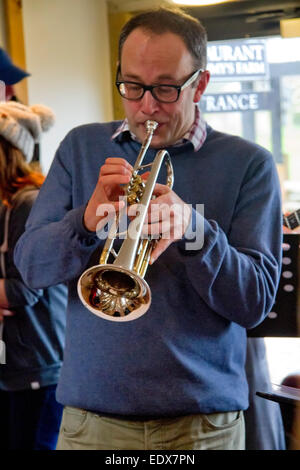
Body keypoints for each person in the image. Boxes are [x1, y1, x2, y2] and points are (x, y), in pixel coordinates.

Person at [14, 7, 282, 450]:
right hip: (89, 426)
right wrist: (85, 220)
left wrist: (196, 232)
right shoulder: (81, 147)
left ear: (201, 84)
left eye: (166, 88)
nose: (147, 106)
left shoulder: (248, 164)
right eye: (133, 86)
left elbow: (254, 303)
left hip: (202, 429)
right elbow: (32, 268)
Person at [0, 101, 67, 450]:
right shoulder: (5, 205)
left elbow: (22, 290)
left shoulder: (28, 204)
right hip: (12, 365)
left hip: (39, 368)